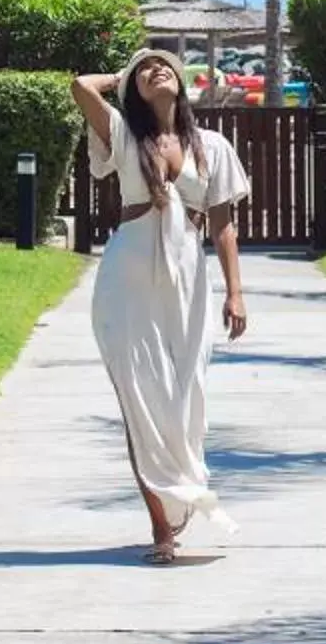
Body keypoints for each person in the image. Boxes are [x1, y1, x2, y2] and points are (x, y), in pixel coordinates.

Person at [71, 48, 250, 564]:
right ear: (133, 88)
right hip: (127, 280)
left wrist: (235, 292)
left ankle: (180, 495)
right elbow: (82, 85)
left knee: (185, 401)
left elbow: (223, 225)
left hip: (187, 278)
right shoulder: (124, 134)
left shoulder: (210, 147)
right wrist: (125, 75)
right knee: (142, 404)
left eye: (165, 65)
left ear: (183, 82)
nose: (157, 71)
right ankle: (161, 531)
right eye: (146, 70)